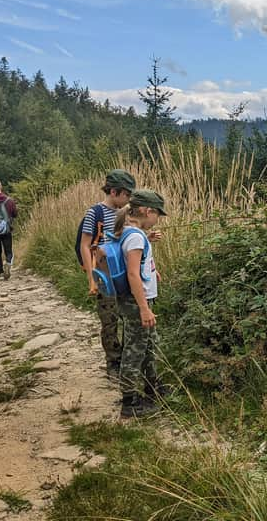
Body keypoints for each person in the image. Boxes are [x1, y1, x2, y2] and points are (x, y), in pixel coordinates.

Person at [78, 169, 135, 378]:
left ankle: (129, 361)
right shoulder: (95, 213)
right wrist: (91, 278)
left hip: (125, 272)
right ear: (113, 191)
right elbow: (85, 245)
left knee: (128, 317)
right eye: (126, 195)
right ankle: (113, 363)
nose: (129, 199)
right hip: (104, 273)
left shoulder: (126, 213)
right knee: (109, 319)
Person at [115, 189, 167, 418]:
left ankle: (152, 386)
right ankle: (129, 402)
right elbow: (133, 275)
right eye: (158, 214)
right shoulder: (135, 237)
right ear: (147, 211)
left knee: (148, 344)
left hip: (136, 301)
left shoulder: (130, 232)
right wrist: (144, 309)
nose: (158, 220)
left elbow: (135, 261)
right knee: (135, 349)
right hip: (138, 302)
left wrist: (148, 242)